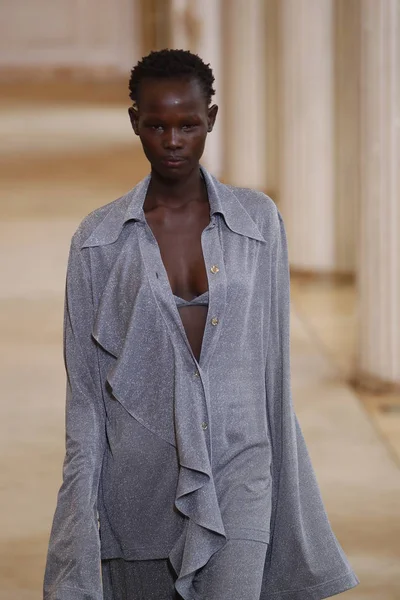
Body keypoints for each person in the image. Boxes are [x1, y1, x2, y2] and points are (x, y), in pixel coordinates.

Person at [43, 49, 359, 600]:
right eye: (156, 125)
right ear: (134, 123)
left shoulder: (258, 223)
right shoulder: (98, 242)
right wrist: (75, 548)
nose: (172, 141)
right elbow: (87, 405)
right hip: (141, 488)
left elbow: (273, 376)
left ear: (210, 118)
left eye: (188, 124)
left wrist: (291, 515)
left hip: (242, 468)